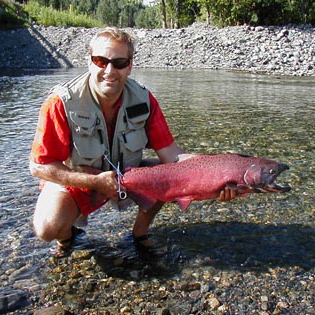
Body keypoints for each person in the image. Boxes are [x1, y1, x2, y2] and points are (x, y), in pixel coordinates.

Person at [29, 27, 236, 255]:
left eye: (118, 63)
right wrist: (95, 182)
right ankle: (67, 239)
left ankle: (139, 234)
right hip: (79, 180)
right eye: (100, 61)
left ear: (130, 66)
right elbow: (39, 167)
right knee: (47, 228)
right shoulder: (61, 103)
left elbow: (173, 156)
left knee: (169, 173)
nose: (109, 71)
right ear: (89, 62)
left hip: (129, 178)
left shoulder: (144, 100)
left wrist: (218, 175)